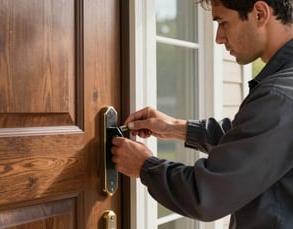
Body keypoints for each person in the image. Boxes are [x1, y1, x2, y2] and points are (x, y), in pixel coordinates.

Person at [111, 0, 293, 228]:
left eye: (223, 23)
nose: (219, 37)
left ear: (259, 13)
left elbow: (207, 196)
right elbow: (256, 142)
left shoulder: (278, 96)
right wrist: (175, 127)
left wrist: (144, 166)